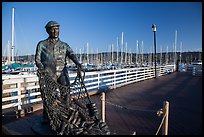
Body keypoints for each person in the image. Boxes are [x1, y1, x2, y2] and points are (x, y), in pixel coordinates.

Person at [35, 21, 82, 124]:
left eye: (57, 29)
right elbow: (37, 60)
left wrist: (78, 63)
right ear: (48, 31)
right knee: (49, 95)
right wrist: (42, 68)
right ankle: (47, 116)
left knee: (66, 93)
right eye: (53, 29)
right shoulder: (42, 44)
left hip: (62, 72)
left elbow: (71, 54)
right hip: (48, 73)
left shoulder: (64, 45)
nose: (56, 31)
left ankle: (66, 114)